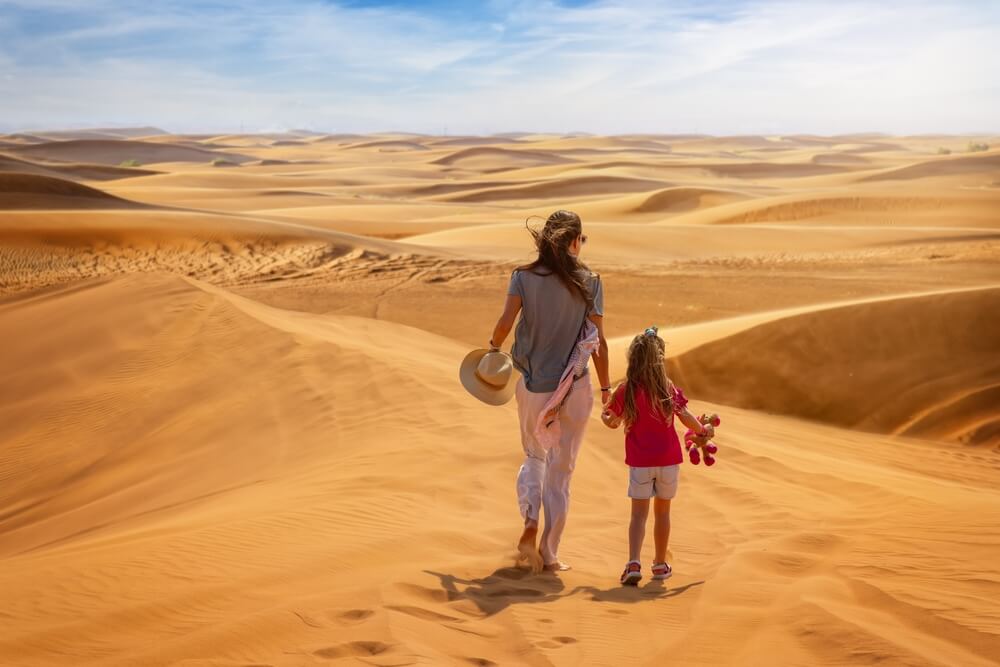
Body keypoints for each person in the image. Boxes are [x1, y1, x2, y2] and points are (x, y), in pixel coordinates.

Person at [488, 210, 610, 573]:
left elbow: (505, 324)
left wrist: (491, 349)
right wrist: (606, 388)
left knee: (535, 455)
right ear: (574, 241)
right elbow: (599, 342)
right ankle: (550, 554)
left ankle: (530, 520)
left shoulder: (523, 277)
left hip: (534, 387)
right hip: (575, 387)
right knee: (562, 471)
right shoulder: (591, 282)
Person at [601, 326, 713, 585]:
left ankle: (633, 564)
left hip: (640, 463)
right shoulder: (666, 387)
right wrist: (702, 430)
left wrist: (605, 417)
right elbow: (686, 416)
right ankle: (660, 565)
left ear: (633, 359)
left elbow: (613, 421)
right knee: (663, 513)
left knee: (638, 515)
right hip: (668, 462)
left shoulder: (626, 389)